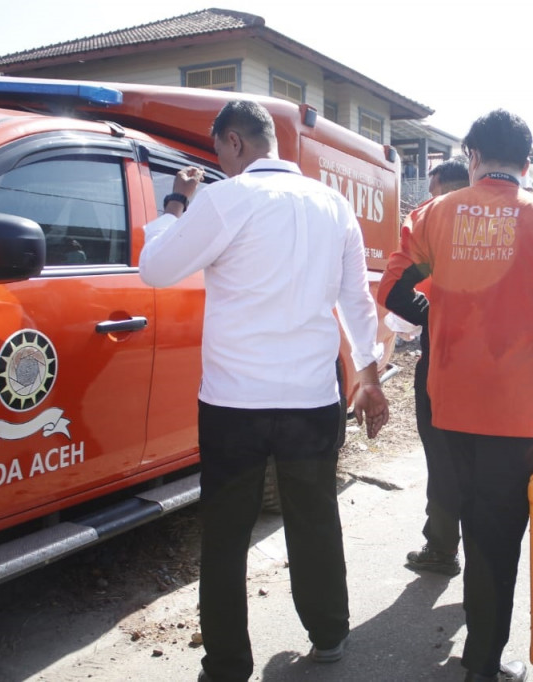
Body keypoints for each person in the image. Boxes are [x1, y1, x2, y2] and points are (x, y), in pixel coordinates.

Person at [138, 100, 389, 682]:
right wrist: (369, 380)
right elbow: (356, 303)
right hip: (310, 397)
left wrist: (176, 202)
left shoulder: (225, 200)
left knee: (226, 534)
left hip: (235, 402)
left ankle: (227, 665)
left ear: (232, 143)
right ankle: (329, 635)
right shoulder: (335, 205)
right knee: (315, 519)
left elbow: (155, 268)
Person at [379, 109, 533, 682]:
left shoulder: (432, 216)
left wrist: (438, 316)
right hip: (515, 415)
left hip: (447, 405)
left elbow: (394, 289)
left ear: (472, 158)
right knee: (496, 541)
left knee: (465, 518)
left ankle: (479, 655)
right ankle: (483, 665)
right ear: (525, 163)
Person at [403, 157, 470, 577]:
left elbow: (397, 288)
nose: (429, 199)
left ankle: (443, 547)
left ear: (446, 187)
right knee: (478, 461)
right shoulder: (506, 226)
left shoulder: (432, 227)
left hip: (442, 367)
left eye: (433, 190)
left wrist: (428, 312)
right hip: (494, 370)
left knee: (444, 460)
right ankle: (481, 556)